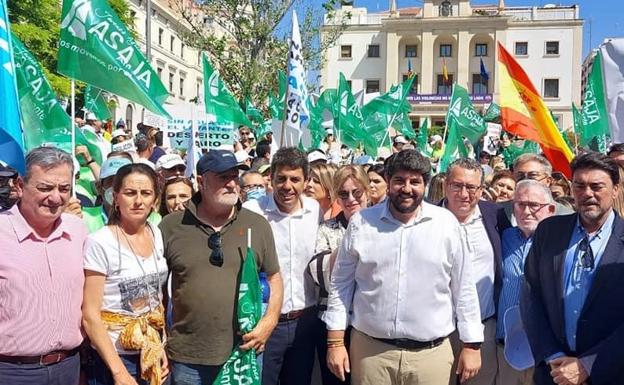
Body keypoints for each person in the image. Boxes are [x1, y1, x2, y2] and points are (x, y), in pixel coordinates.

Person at [325, 150, 484, 385]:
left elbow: (464, 288)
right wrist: (336, 343)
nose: (407, 188)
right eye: (399, 180)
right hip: (371, 353)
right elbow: (341, 285)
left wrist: (471, 345)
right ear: (388, 183)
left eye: (415, 182)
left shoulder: (446, 224)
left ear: (426, 185)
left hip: (431, 356)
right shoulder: (362, 223)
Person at [160, 149, 283, 385]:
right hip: (188, 357)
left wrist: (269, 322)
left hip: (244, 353)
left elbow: (275, 278)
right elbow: (157, 289)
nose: (231, 184)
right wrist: (162, 338)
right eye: (222, 177)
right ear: (200, 182)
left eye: (234, 177)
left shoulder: (257, 225)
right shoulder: (171, 226)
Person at [522, 152, 624, 385]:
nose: (587, 193)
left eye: (597, 186)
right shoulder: (549, 232)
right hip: (554, 373)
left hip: (611, 373)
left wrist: (588, 365)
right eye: (579, 185)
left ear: (615, 190)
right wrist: (554, 357)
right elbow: (530, 298)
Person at [0, 147, 88, 385]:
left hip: (69, 367)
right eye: (45, 188)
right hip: (11, 372)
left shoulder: (78, 230)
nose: (56, 197)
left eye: (64, 189)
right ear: (19, 186)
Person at [82, 163, 169, 385]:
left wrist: (160, 346)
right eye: (130, 193)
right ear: (116, 196)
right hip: (115, 356)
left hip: (150, 349)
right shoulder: (100, 242)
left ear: (155, 199)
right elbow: (90, 315)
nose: (138, 200)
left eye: (146, 193)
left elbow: (156, 299)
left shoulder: (155, 233)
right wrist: (119, 372)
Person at [244, 147, 321, 385]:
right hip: (265, 323)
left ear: (306, 181)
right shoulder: (251, 212)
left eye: (295, 179)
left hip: (304, 322)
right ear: (271, 179)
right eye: (281, 179)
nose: (287, 186)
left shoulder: (315, 210)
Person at [442, 158, 506, 385]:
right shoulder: (426, 218)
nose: (463, 193)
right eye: (457, 185)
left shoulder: (496, 216)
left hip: (484, 330)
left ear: (481, 190)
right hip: (440, 333)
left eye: (471, 187)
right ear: (445, 185)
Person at [312, 165, 370, 385]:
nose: (351, 199)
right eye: (343, 194)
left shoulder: (383, 227)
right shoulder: (327, 229)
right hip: (332, 324)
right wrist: (348, 242)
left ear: (367, 191)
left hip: (368, 326)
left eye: (357, 192)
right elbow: (320, 274)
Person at [496, 180, 556, 385]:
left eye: (534, 205)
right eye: (521, 204)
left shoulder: (561, 242)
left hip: (545, 350)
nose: (527, 211)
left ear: (550, 209)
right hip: (506, 347)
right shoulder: (505, 237)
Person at [500, 154, 574, 225]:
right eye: (520, 176)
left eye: (533, 176)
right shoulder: (499, 211)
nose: (526, 180)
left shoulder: (567, 217)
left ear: (548, 181)